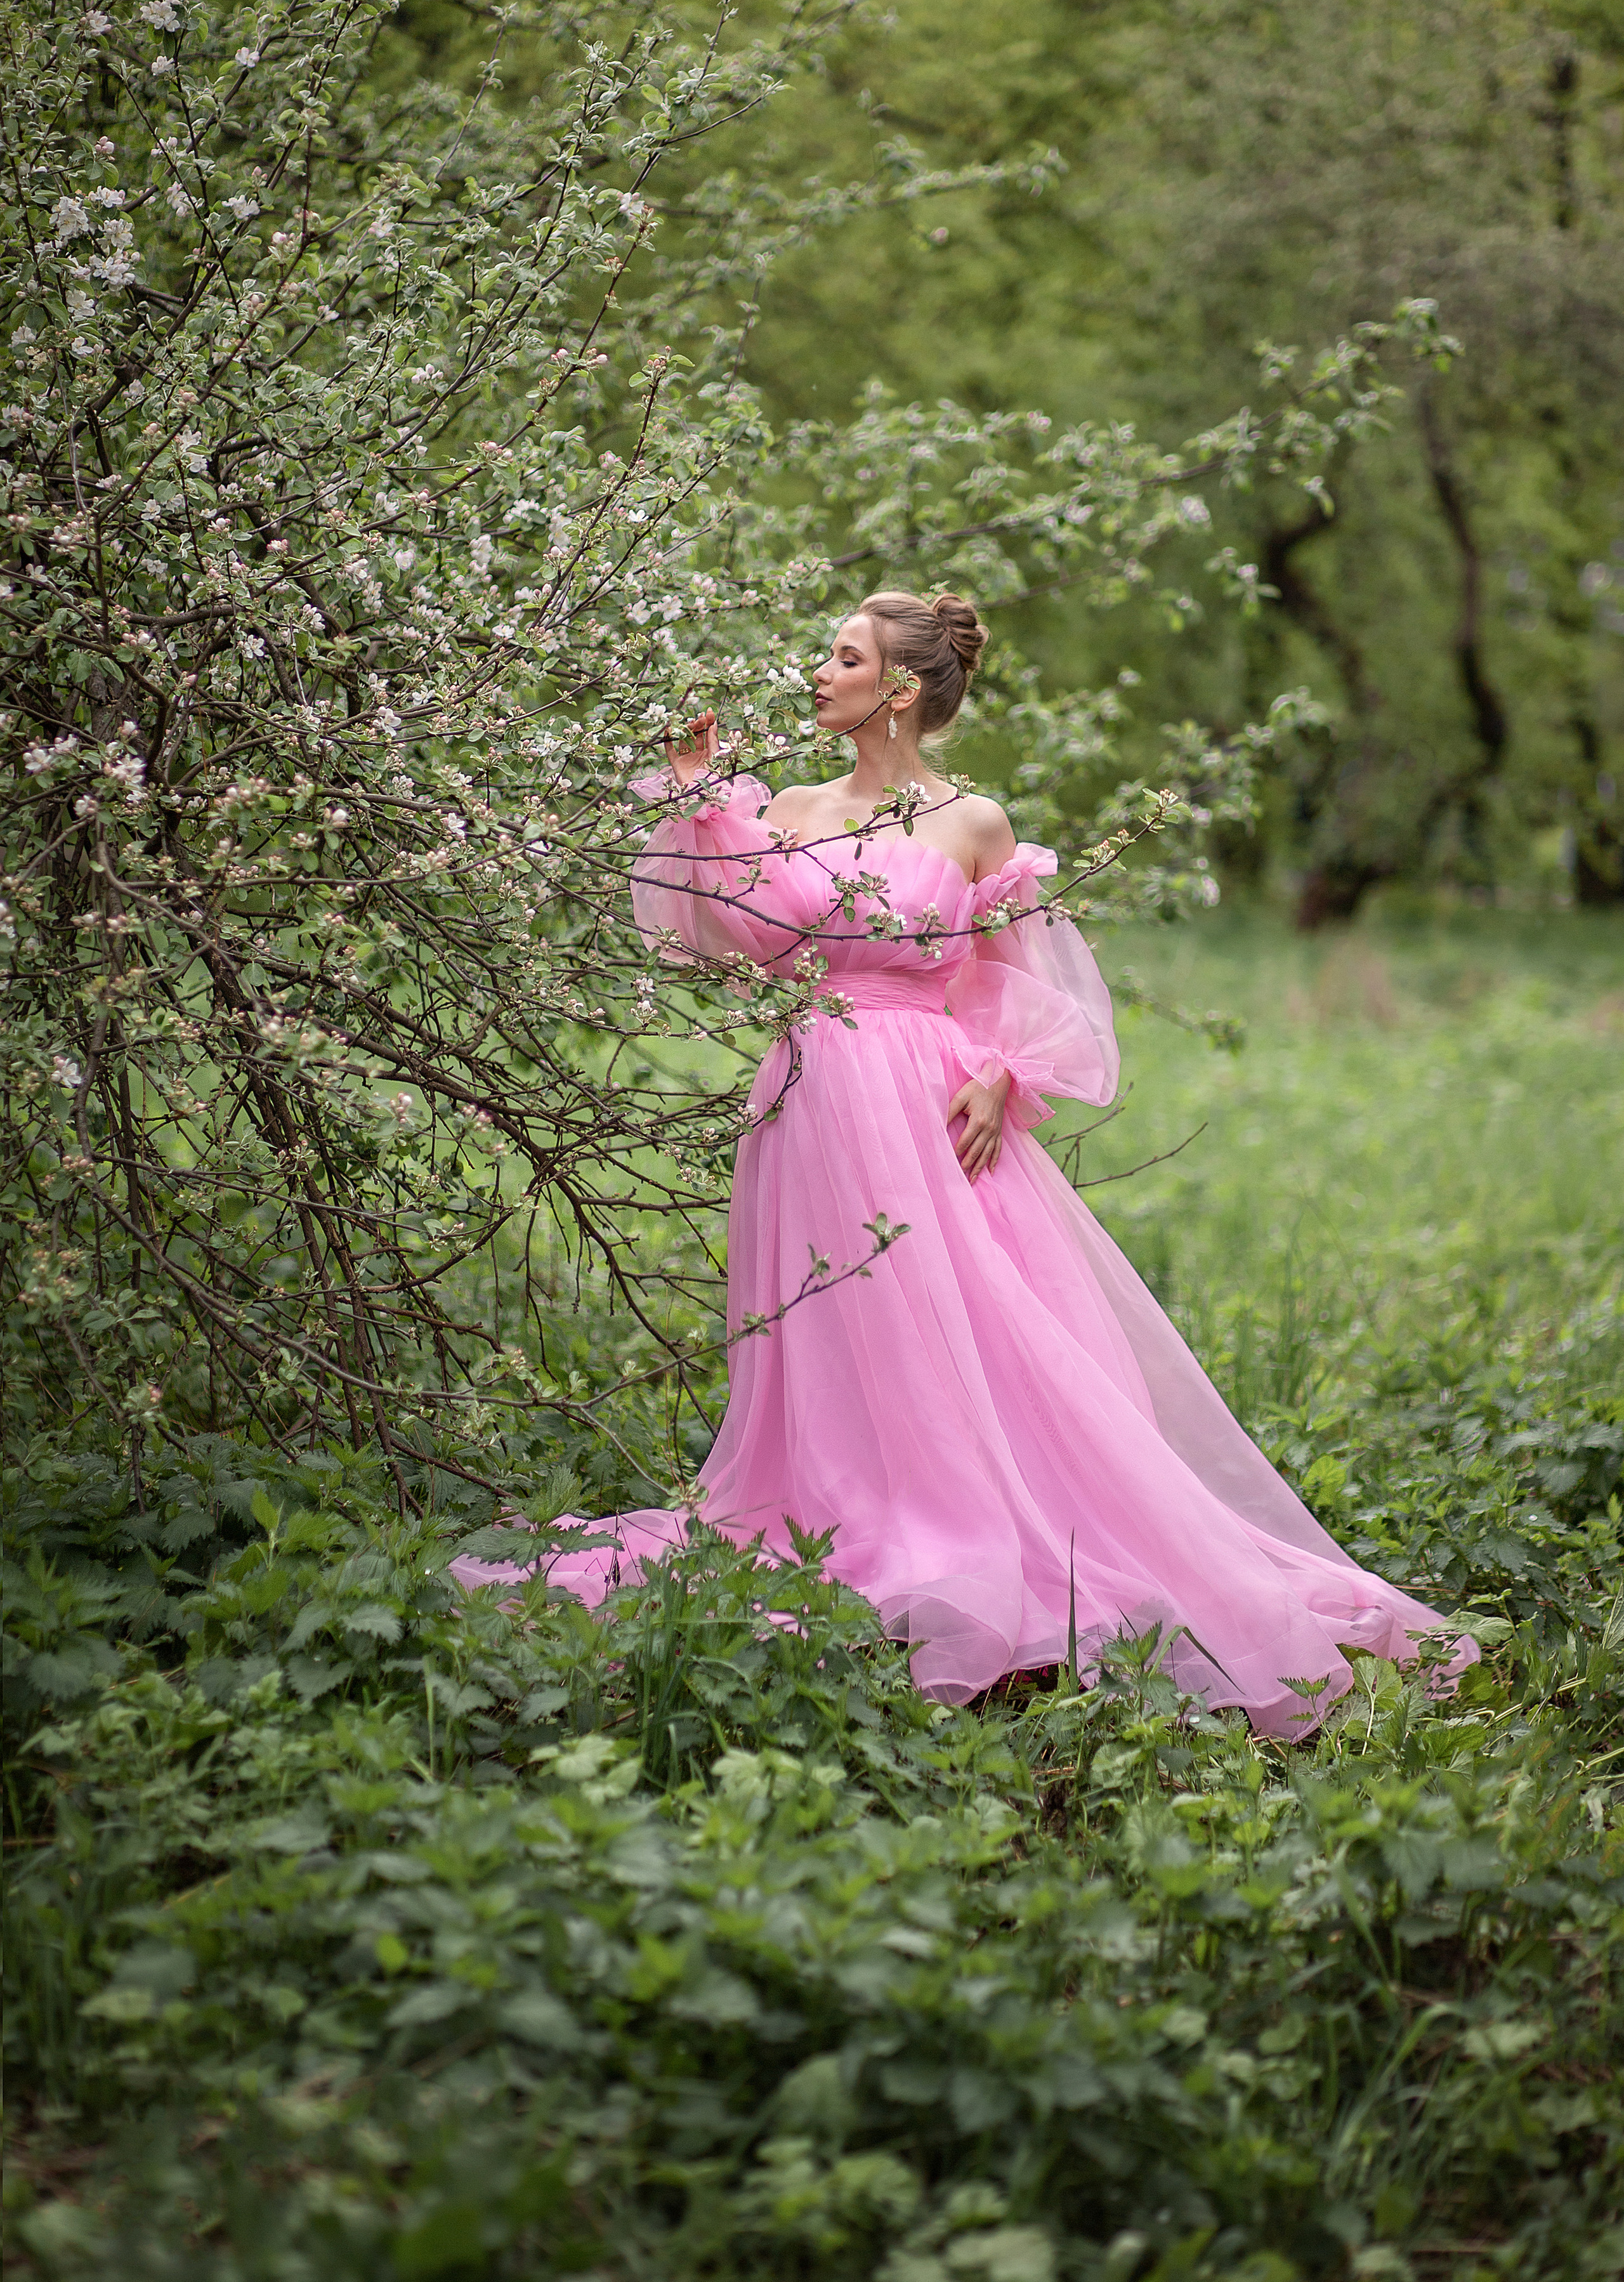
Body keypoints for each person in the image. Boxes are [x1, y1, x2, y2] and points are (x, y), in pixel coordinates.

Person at [452, 591, 1473, 1734]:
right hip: (808, 1100)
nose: (818, 672)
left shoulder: (974, 825)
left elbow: (1032, 988)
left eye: (843, 657)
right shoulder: (790, 808)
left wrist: (1004, 1073)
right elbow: (722, 928)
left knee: (959, 1324)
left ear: (898, 689)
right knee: (837, 1324)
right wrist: (699, 797)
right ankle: (845, 1511)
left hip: (933, 1106)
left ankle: (981, 1533)